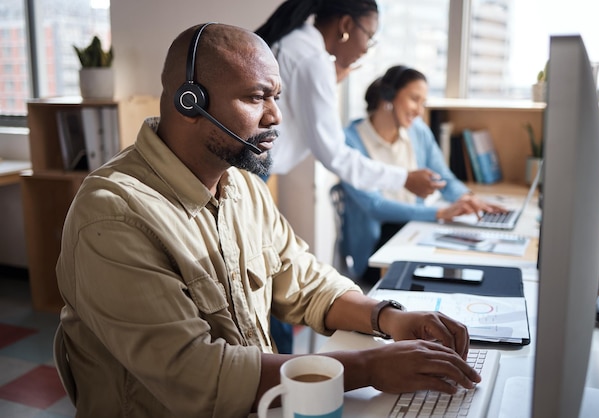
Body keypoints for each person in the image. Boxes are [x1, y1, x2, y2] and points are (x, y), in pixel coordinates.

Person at [55, 23, 481, 418]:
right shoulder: (112, 215)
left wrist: (388, 318)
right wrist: (369, 365)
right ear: (191, 102)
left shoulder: (242, 186)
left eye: (275, 97)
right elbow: (195, 373)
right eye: (257, 97)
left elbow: (306, 282)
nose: (275, 116)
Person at [255, 0, 445, 198]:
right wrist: (404, 179)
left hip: (252, 165)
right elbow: (334, 154)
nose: (366, 49)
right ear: (346, 25)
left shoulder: (296, 41)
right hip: (255, 171)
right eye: (369, 36)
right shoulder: (314, 61)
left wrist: (330, 81)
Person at [340, 66, 506, 283]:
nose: (419, 110)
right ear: (388, 96)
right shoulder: (350, 141)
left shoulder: (418, 131)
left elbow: (442, 177)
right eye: (414, 99)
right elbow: (375, 206)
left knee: (468, 255)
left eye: (423, 103)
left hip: (414, 231)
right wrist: (439, 213)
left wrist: (466, 198)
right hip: (376, 250)